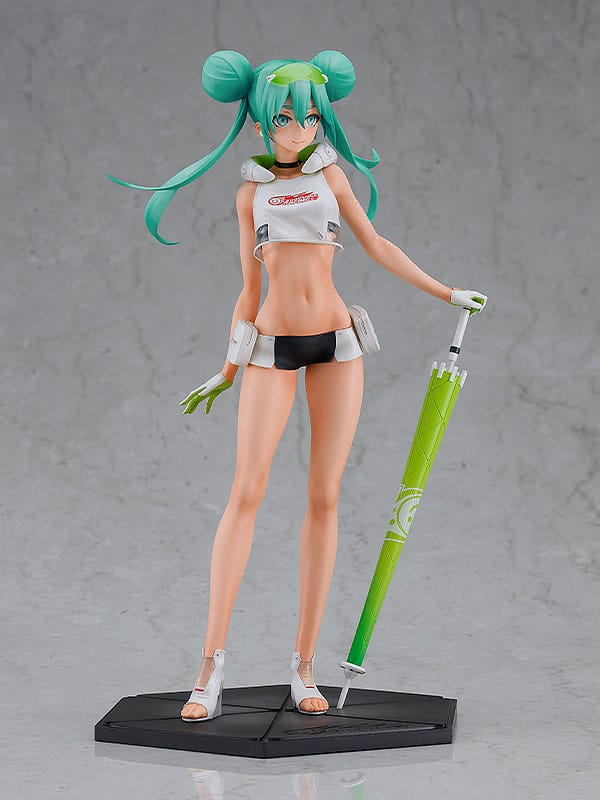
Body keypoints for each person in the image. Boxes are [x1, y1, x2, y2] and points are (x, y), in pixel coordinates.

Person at [106, 50, 487, 722]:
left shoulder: (331, 177)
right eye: (286, 117)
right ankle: (209, 666)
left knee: (324, 496)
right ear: (259, 123)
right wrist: (228, 368)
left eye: (311, 117)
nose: (300, 128)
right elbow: (248, 289)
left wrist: (446, 291)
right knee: (245, 492)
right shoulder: (248, 194)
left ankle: (304, 666)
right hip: (270, 348)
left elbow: (377, 244)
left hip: (337, 343)